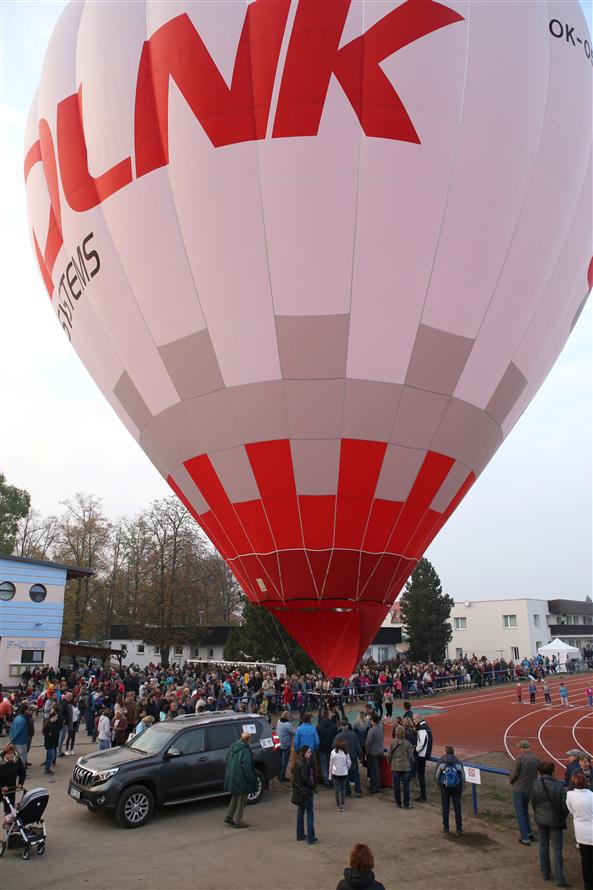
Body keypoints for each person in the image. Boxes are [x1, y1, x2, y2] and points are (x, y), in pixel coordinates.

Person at [530, 761, 569, 887]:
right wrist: (562, 816)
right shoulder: (558, 786)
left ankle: (545, 873)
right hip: (555, 820)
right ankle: (559, 879)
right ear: (552, 771)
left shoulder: (536, 783)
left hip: (541, 819)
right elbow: (565, 806)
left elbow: (533, 801)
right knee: (557, 849)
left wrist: (537, 813)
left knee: (543, 845)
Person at [223, 731, 257, 829]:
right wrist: (251, 779)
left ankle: (229, 817)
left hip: (232, 777)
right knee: (241, 800)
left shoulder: (233, 747)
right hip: (241, 779)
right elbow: (246, 767)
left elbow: (226, 759)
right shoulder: (245, 751)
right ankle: (238, 821)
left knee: (234, 798)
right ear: (248, 740)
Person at [509, 740, 540, 845]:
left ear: (522, 748)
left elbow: (514, 773)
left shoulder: (520, 758)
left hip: (519, 789)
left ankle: (525, 837)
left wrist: (511, 781)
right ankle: (530, 832)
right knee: (525, 810)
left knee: (520, 813)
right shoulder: (536, 759)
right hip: (530, 789)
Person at [566, 771, 593, 890]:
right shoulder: (591, 795)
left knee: (586, 859)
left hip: (581, 832)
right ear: (586, 783)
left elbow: (571, 810)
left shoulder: (570, 795)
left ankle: (588, 884)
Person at [435, 745, 465, 835]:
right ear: (453, 752)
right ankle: (459, 829)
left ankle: (446, 827)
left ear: (446, 752)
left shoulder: (441, 761)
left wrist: (440, 785)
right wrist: (461, 787)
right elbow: (463, 777)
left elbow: (437, 776)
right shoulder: (458, 762)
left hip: (445, 787)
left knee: (445, 807)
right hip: (456, 788)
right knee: (457, 808)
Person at [292, 745, 318, 844]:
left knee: (300, 813)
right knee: (310, 814)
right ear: (304, 753)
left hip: (299, 792)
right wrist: (312, 786)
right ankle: (311, 837)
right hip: (306, 792)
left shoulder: (298, 762)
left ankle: (300, 835)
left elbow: (295, 779)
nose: (310, 754)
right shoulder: (305, 764)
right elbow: (305, 778)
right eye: (309, 752)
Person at [334, 719, 363, 798]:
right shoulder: (353, 735)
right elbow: (358, 746)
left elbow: (333, 746)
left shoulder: (338, 736)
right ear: (347, 726)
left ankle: (347, 793)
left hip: (343, 758)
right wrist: (361, 755)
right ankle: (358, 792)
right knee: (356, 774)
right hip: (353, 757)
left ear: (341, 727)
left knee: (345, 775)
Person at [388, 725, 415, 809]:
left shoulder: (393, 742)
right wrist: (412, 762)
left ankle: (398, 802)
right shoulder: (407, 743)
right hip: (406, 767)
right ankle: (406, 803)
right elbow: (411, 756)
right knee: (406, 786)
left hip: (395, 766)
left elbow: (390, 754)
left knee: (396, 786)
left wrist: (390, 762)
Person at [0, 745, 25, 814]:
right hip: (1, 784)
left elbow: (22, 772)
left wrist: (20, 783)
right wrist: (2, 786)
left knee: (9, 807)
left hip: (11, 787)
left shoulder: (17, 760)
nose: (11, 755)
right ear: (5, 754)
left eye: (12, 753)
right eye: (9, 754)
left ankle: (8, 822)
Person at [318, 709, 339, 786]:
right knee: (332, 764)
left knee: (324, 765)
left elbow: (318, 738)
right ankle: (332, 780)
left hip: (323, 748)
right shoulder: (333, 726)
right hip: (331, 748)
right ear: (328, 715)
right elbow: (336, 737)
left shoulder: (319, 726)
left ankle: (326, 780)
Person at [414, 717, 433, 802]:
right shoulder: (426, 727)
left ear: (418, 719)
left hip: (422, 755)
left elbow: (422, 742)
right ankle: (422, 795)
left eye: (414, 720)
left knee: (421, 775)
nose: (413, 722)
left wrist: (416, 750)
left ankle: (423, 796)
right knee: (421, 775)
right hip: (424, 754)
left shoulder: (422, 728)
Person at [329, 739, 351, 812]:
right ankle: (343, 805)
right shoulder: (346, 753)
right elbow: (349, 763)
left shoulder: (333, 752)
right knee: (343, 790)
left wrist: (330, 775)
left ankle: (339, 806)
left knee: (337, 791)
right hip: (343, 774)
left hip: (335, 774)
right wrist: (346, 769)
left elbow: (331, 765)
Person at [365, 713, 384, 795]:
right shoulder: (381, 728)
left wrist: (366, 752)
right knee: (377, 770)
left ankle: (374, 788)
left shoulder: (372, 730)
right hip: (380, 751)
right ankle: (377, 786)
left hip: (373, 752)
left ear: (372, 721)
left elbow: (368, 743)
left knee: (373, 771)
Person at [8, 704, 28, 773]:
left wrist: (11, 739)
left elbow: (12, 729)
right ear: (25, 711)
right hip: (21, 742)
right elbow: (18, 732)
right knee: (22, 757)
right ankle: (21, 772)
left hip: (17, 741)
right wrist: (12, 740)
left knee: (17, 757)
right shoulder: (22, 720)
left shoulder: (16, 718)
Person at [276, 711, 296, 783]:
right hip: (285, 745)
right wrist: (293, 725)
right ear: (287, 717)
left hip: (279, 743)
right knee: (285, 761)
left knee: (280, 760)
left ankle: (279, 774)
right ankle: (282, 776)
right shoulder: (287, 725)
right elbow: (295, 732)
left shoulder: (279, 721)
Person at [42, 710, 60, 775]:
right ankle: (47, 770)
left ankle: (47, 768)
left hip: (52, 743)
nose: (57, 718)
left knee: (49, 756)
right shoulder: (49, 725)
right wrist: (52, 734)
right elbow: (53, 733)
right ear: (52, 717)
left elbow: (54, 733)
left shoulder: (53, 723)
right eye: (56, 717)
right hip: (50, 743)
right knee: (51, 756)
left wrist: (52, 734)